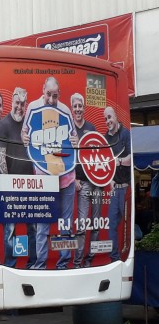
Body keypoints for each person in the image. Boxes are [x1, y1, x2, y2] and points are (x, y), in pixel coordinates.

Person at [21, 77, 78, 269]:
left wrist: (75, 140)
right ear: (42, 89)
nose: (52, 100)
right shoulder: (33, 108)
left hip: (67, 177)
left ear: (59, 94)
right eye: (48, 95)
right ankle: (41, 264)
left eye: (55, 96)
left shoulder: (65, 110)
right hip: (44, 178)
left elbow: (73, 140)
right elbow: (25, 134)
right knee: (42, 225)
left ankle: (63, 264)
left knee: (65, 224)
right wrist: (24, 137)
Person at [0, 87, 36, 268]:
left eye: (23, 104)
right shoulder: (3, 125)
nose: (20, 107)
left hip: (31, 185)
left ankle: (33, 263)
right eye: (17, 103)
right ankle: (10, 264)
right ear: (12, 102)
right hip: (11, 186)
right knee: (10, 229)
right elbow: (0, 158)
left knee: (33, 226)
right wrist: (9, 185)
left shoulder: (29, 125)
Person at [70, 93, 101, 267]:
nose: (78, 109)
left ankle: (89, 261)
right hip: (81, 183)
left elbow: (98, 154)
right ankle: (77, 263)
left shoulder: (92, 127)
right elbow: (66, 157)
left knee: (95, 225)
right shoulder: (69, 129)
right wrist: (74, 178)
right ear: (72, 109)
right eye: (75, 106)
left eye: (80, 106)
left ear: (84, 108)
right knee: (81, 227)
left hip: (96, 183)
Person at [104, 106, 131, 262]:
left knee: (127, 225)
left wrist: (118, 161)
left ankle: (127, 256)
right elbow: (104, 164)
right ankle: (114, 258)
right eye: (106, 119)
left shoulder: (125, 134)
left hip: (126, 187)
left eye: (110, 117)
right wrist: (110, 179)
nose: (108, 121)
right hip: (114, 189)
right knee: (111, 224)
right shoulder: (105, 139)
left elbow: (130, 159)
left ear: (115, 116)